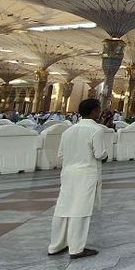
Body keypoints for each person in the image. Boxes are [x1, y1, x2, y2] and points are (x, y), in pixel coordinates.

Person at [48, 98, 107, 259]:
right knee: (80, 210)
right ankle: (76, 248)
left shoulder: (69, 131)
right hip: (86, 173)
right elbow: (100, 154)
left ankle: (56, 245)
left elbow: (60, 155)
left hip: (68, 173)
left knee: (63, 208)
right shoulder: (96, 130)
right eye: (98, 109)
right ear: (94, 111)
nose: (100, 112)